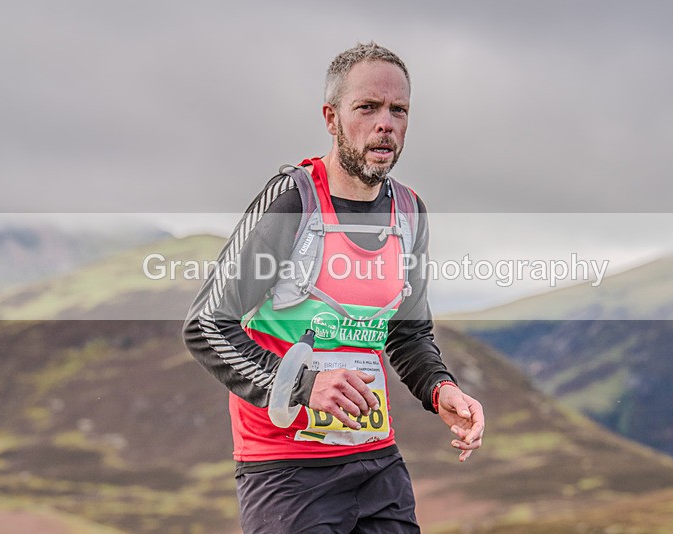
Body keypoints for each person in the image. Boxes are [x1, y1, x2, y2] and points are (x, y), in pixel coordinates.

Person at [183, 41, 484, 533]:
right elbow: (206, 326)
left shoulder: (409, 212)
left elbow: (407, 334)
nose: (385, 122)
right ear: (331, 117)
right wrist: (303, 385)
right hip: (285, 472)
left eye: (398, 110)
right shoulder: (292, 201)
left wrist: (439, 388)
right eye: (367, 107)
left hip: (377, 465)